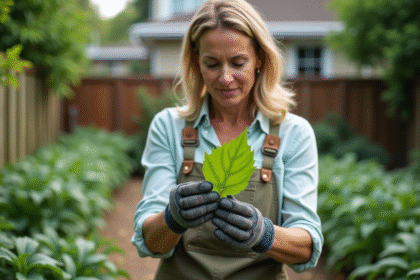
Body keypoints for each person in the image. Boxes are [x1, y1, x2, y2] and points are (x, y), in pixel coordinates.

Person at [132, 0, 323, 278]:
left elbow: (306, 248)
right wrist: (172, 218)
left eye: (238, 62)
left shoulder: (294, 133)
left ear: (259, 58)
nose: (225, 77)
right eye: (212, 63)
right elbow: (149, 242)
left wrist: (264, 234)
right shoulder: (169, 127)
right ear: (196, 61)